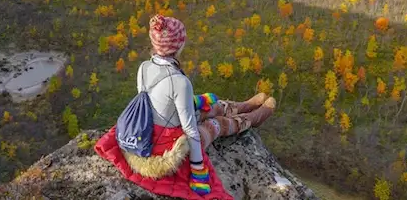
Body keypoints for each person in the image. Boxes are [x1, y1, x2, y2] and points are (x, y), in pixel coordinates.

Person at [95, 14, 276, 199]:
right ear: (179, 45)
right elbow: (189, 130)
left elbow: (157, 103)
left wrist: (196, 103)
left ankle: (244, 105)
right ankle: (252, 119)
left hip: (148, 131)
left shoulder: (144, 67)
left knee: (208, 105)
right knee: (215, 125)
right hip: (165, 148)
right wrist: (198, 169)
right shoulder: (180, 82)